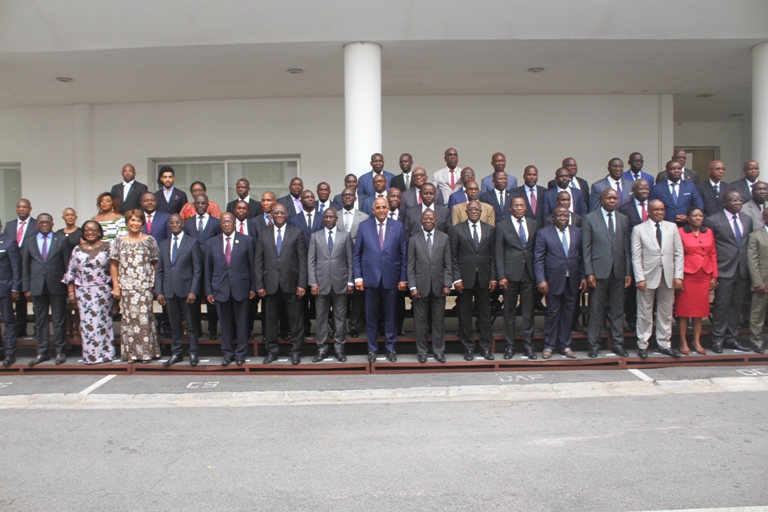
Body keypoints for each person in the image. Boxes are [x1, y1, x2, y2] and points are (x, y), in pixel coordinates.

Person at [353, 197, 408, 363]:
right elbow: (357, 254)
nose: (381, 210)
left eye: (384, 207)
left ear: (388, 208)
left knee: (391, 316)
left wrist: (403, 278)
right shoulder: (364, 226)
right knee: (371, 317)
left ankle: (391, 348)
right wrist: (358, 277)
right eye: (378, 207)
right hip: (370, 279)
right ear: (373, 210)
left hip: (392, 279)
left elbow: (403, 254)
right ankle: (372, 349)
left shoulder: (397, 226)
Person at [582, 189, 632, 358]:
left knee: (617, 309)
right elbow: (586, 248)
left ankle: (618, 343)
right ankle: (594, 344)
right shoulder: (590, 218)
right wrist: (589, 272)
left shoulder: (623, 219)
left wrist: (628, 271)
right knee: (596, 310)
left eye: (615, 198)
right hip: (598, 271)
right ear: (601, 199)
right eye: (609, 198)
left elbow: (626, 247)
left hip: (618, 271)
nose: (612, 201)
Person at [254, 204, 307, 365]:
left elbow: (302, 260)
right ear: (271, 215)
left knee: (295, 320)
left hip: (292, 283)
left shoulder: (296, 233)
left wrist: (302, 284)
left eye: (282, 213)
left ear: (286, 215)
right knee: (270, 321)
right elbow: (258, 262)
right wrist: (259, 285)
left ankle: (296, 351)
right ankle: (272, 351)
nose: (279, 215)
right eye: (276, 213)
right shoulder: (263, 234)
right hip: (269, 284)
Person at [631, 200, 684, 358]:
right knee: (644, 312)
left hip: (668, 276)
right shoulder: (639, 229)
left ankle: (664, 344)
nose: (660, 212)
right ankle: (643, 344)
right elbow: (636, 256)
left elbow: (678, 253)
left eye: (662, 209)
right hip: (647, 277)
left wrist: (678, 276)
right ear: (649, 211)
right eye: (656, 209)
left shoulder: (672, 227)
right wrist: (639, 278)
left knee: (665, 312)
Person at [704, 190, 753, 353]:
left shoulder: (747, 219)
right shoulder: (712, 220)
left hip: (742, 268)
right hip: (723, 269)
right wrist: (713, 272)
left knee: (736, 305)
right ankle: (717, 339)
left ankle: (731, 338)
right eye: (734, 200)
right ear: (725, 202)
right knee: (721, 305)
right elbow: (709, 247)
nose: (738, 203)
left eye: (740, 200)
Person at [534, 206, 586, 359]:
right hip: (552, 280)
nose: (563, 218)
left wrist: (583, 277)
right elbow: (538, 258)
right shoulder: (544, 233)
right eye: (560, 215)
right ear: (553, 217)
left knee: (568, 314)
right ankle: (549, 346)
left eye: (566, 215)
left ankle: (565, 345)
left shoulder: (577, 232)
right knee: (553, 313)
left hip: (572, 280)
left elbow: (581, 257)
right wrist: (541, 279)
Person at [110, 209, 160, 363]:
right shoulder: (118, 241)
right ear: (127, 222)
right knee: (129, 320)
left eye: (138, 220)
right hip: (126, 287)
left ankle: (146, 353)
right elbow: (114, 265)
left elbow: (156, 263)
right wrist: (116, 286)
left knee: (144, 320)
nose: (135, 223)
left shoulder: (149, 240)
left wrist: (156, 284)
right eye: (132, 220)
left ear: (142, 223)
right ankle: (131, 354)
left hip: (144, 287)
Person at [62, 220, 116, 364]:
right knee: (87, 324)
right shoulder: (77, 249)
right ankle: (91, 356)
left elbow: (114, 269)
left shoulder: (108, 247)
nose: (90, 232)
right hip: (83, 292)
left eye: (93, 230)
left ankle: (106, 354)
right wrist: (71, 292)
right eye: (86, 230)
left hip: (103, 291)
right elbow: (71, 271)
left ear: (99, 232)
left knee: (102, 322)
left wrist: (116, 289)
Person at [205, 213, 256, 366]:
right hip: (220, 288)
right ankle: (227, 353)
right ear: (220, 225)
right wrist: (208, 291)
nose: (226, 224)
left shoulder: (247, 240)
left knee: (242, 323)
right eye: (224, 222)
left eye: (229, 222)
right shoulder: (211, 242)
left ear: (234, 224)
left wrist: (253, 286)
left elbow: (252, 266)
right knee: (225, 323)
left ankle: (241, 353)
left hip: (241, 288)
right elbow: (208, 269)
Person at [22, 213, 70, 366]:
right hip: (37, 286)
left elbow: (67, 265)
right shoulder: (29, 241)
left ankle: (60, 351)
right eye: (42, 222)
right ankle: (42, 352)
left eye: (47, 222)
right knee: (40, 321)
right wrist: (26, 287)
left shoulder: (61, 239)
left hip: (57, 286)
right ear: (37, 225)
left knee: (58, 320)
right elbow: (25, 266)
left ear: (52, 224)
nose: (44, 225)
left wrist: (68, 287)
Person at [452, 200, 497, 361]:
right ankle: (468, 348)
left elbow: (493, 256)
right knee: (465, 315)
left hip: (484, 278)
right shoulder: (457, 230)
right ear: (466, 212)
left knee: (484, 315)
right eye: (470, 209)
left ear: (480, 211)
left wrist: (493, 277)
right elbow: (453, 257)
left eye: (476, 209)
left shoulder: (490, 229)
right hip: (464, 279)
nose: (474, 211)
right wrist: (456, 278)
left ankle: (485, 347)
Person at [156, 214, 203, 367]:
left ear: (182, 224)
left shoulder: (192, 242)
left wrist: (193, 291)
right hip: (169, 290)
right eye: (172, 223)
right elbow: (160, 270)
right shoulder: (163, 244)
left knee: (191, 324)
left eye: (177, 222)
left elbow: (197, 269)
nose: (174, 225)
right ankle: (176, 353)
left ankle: (193, 353)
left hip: (187, 290)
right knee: (174, 324)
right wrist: (159, 291)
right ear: (169, 225)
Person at [308, 208, 353, 362]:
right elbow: (311, 261)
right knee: (321, 317)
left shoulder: (345, 236)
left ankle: (339, 348)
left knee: (340, 317)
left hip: (341, 282)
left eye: (331, 217)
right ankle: (322, 348)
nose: (328, 219)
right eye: (326, 217)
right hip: (320, 284)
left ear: (336, 218)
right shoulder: (315, 236)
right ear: (323, 218)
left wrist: (350, 281)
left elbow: (350, 261)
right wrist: (313, 282)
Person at [496, 197, 538, 359]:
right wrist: (501, 276)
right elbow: (499, 253)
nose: (519, 208)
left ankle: (528, 346)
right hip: (510, 275)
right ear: (510, 208)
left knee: (528, 312)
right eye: (516, 206)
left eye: (522, 205)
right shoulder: (502, 226)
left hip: (529, 273)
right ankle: (509, 346)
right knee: (509, 312)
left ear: (526, 207)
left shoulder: (534, 224)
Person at [407, 210, 452, 363]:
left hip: (439, 287)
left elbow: (448, 263)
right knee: (420, 322)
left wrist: (447, 284)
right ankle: (422, 352)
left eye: (430, 219)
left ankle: (439, 351)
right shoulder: (414, 239)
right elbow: (410, 266)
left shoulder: (444, 238)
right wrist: (412, 287)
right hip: (420, 287)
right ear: (421, 221)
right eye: (425, 219)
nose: (427, 221)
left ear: (435, 221)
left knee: (438, 321)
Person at [676, 207, 717, 355]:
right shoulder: (680, 232)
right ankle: (683, 341)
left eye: (700, 216)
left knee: (699, 310)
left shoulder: (708, 232)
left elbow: (712, 254)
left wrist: (714, 276)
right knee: (684, 310)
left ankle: (696, 341)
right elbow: (677, 255)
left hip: (704, 275)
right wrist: (678, 277)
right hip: (687, 275)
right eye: (694, 216)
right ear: (688, 218)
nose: (698, 218)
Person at [183, 194, 222, 339]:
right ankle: (196, 330)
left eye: (203, 203)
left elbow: (220, 242)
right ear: (194, 204)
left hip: (211, 264)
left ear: (207, 205)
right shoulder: (187, 223)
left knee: (211, 298)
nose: (200, 205)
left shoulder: (215, 222)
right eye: (198, 203)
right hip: (192, 266)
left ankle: (212, 330)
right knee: (194, 299)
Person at [619, 178, 651, 333]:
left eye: (646, 189)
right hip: (633, 253)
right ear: (633, 191)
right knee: (633, 289)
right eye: (641, 189)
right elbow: (623, 233)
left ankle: (648, 320)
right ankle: (631, 319)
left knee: (651, 286)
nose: (644, 191)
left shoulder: (655, 207)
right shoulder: (625, 208)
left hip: (652, 254)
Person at [337, 188, 369, 338]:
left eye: (350, 195)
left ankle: (354, 325)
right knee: (340, 296)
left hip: (358, 261)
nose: (347, 197)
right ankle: (339, 327)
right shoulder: (334, 215)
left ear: (355, 198)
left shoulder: (364, 217)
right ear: (341, 198)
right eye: (345, 195)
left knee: (357, 296)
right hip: (338, 261)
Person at [3, 199, 37, 337]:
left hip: (30, 267)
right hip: (12, 268)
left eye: (24, 207)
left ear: (30, 208)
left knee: (32, 299)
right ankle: (18, 329)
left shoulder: (37, 224)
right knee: (15, 299)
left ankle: (37, 329)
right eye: (19, 207)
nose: (21, 209)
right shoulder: (9, 225)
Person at [57, 208, 83, 343]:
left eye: (72, 215)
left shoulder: (80, 232)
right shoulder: (58, 234)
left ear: (76, 217)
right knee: (65, 302)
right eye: (67, 215)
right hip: (61, 269)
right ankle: (67, 328)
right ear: (63, 218)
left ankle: (76, 328)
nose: (70, 217)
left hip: (77, 270)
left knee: (76, 301)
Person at [651, 160, 704, 226]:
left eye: (679, 168)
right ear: (666, 172)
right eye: (673, 169)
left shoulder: (690, 186)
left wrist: (688, 217)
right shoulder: (657, 188)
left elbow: (699, 205)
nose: (676, 171)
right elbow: (651, 207)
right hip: (665, 225)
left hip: (686, 226)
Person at [0, 219, 21, 367]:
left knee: (9, 321)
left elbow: (16, 267)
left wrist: (15, 288)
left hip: (5, 289)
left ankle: (10, 353)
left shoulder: (9, 242)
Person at [747, 208, 768, 354]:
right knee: (758, 313)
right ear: (764, 218)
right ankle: (756, 341)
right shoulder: (755, 236)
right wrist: (758, 282)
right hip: (763, 281)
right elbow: (752, 261)